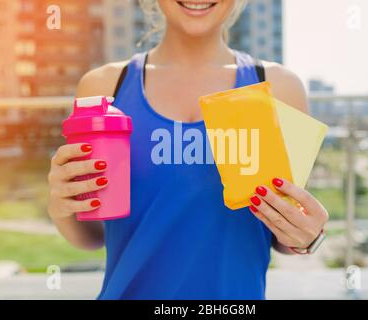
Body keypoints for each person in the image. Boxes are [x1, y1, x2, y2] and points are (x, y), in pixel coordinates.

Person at [47, 0, 329, 299]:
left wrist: (306, 237)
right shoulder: (103, 88)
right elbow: (92, 239)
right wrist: (61, 207)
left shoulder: (280, 88)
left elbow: (282, 236)